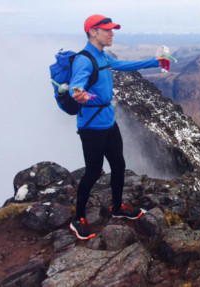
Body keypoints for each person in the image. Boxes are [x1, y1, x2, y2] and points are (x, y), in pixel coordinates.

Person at [69, 14, 164, 240]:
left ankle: (118, 207)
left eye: (112, 29)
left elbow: (123, 65)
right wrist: (77, 93)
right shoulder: (85, 59)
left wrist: (154, 61)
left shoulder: (102, 56)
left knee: (119, 165)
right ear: (93, 32)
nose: (112, 33)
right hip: (91, 125)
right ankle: (78, 219)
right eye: (107, 29)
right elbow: (76, 83)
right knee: (93, 172)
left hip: (108, 121)